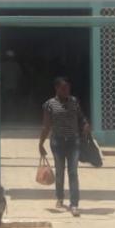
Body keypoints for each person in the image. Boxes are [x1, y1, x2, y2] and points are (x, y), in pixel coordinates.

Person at [38, 77, 89, 217]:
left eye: (68, 88)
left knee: (73, 173)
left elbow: (81, 117)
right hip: (58, 143)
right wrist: (41, 143)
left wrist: (85, 124)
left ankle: (74, 204)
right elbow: (46, 126)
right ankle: (60, 197)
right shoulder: (49, 105)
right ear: (57, 89)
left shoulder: (74, 102)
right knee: (59, 172)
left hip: (73, 142)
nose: (67, 91)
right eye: (63, 88)